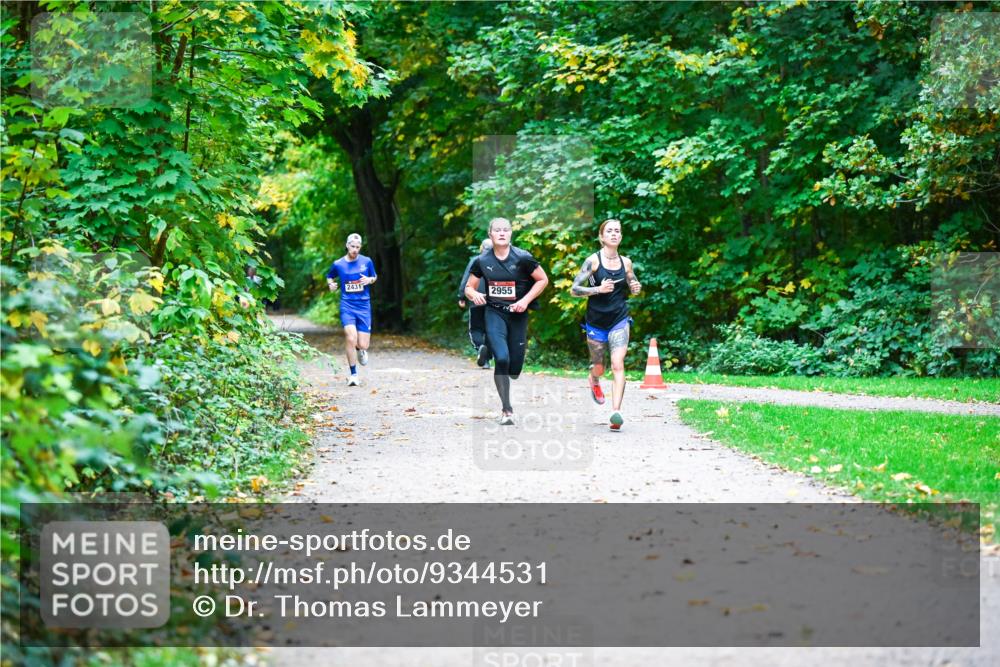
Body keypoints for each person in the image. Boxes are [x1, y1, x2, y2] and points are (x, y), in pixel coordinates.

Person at [464, 218, 548, 425]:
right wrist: (473, 295)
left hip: (518, 314)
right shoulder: (482, 261)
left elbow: (543, 279)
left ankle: (511, 372)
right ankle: (506, 409)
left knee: (514, 368)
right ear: (490, 234)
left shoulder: (523, 258)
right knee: (501, 358)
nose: (502, 233)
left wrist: (525, 301)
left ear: (511, 234)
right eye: (497, 230)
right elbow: (469, 287)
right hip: (494, 313)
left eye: (506, 230)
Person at [570, 218, 641, 431]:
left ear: (620, 236)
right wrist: (597, 290)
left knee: (618, 363)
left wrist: (636, 287)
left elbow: (632, 282)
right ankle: (594, 380)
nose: (614, 234)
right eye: (609, 231)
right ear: (602, 237)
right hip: (596, 321)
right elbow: (574, 289)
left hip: (619, 319)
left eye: (617, 231)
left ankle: (615, 413)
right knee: (599, 367)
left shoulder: (626, 262)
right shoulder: (593, 261)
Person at [326, 233, 377, 386]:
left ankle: (361, 350)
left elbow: (374, 277)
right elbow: (329, 276)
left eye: (358, 247)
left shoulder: (367, 261)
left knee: (363, 344)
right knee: (350, 337)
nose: (355, 249)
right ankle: (353, 374)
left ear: (360, 247)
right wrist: (331, 284)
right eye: (352, 246)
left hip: (363, 306)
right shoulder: (338, 264)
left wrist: (369, 280)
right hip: (347, 305)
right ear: (347, 245)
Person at [458, 238, 494, 368]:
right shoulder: (500, 261)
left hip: (476, 299)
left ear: (481, 248)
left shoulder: (475, 261)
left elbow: (466, 280)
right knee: (492, 330)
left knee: (476, 329)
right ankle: (487, 358)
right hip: (494, 301)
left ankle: (480, 348)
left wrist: (461, 296)